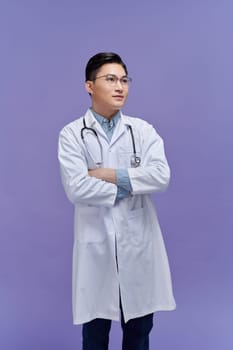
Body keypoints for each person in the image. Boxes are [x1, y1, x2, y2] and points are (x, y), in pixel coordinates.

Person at [58, 52, 176, 350]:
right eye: (110, 79)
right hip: (96, 247)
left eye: (124, 80)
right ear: (89, 85)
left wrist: (109, 175)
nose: (120, 86)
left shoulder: (143, 131)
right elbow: (77, 188)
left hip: (138, 248)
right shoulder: (72, 135)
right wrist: (133, 182)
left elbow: (161, 177)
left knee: (139, 333)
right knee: (94, 336)